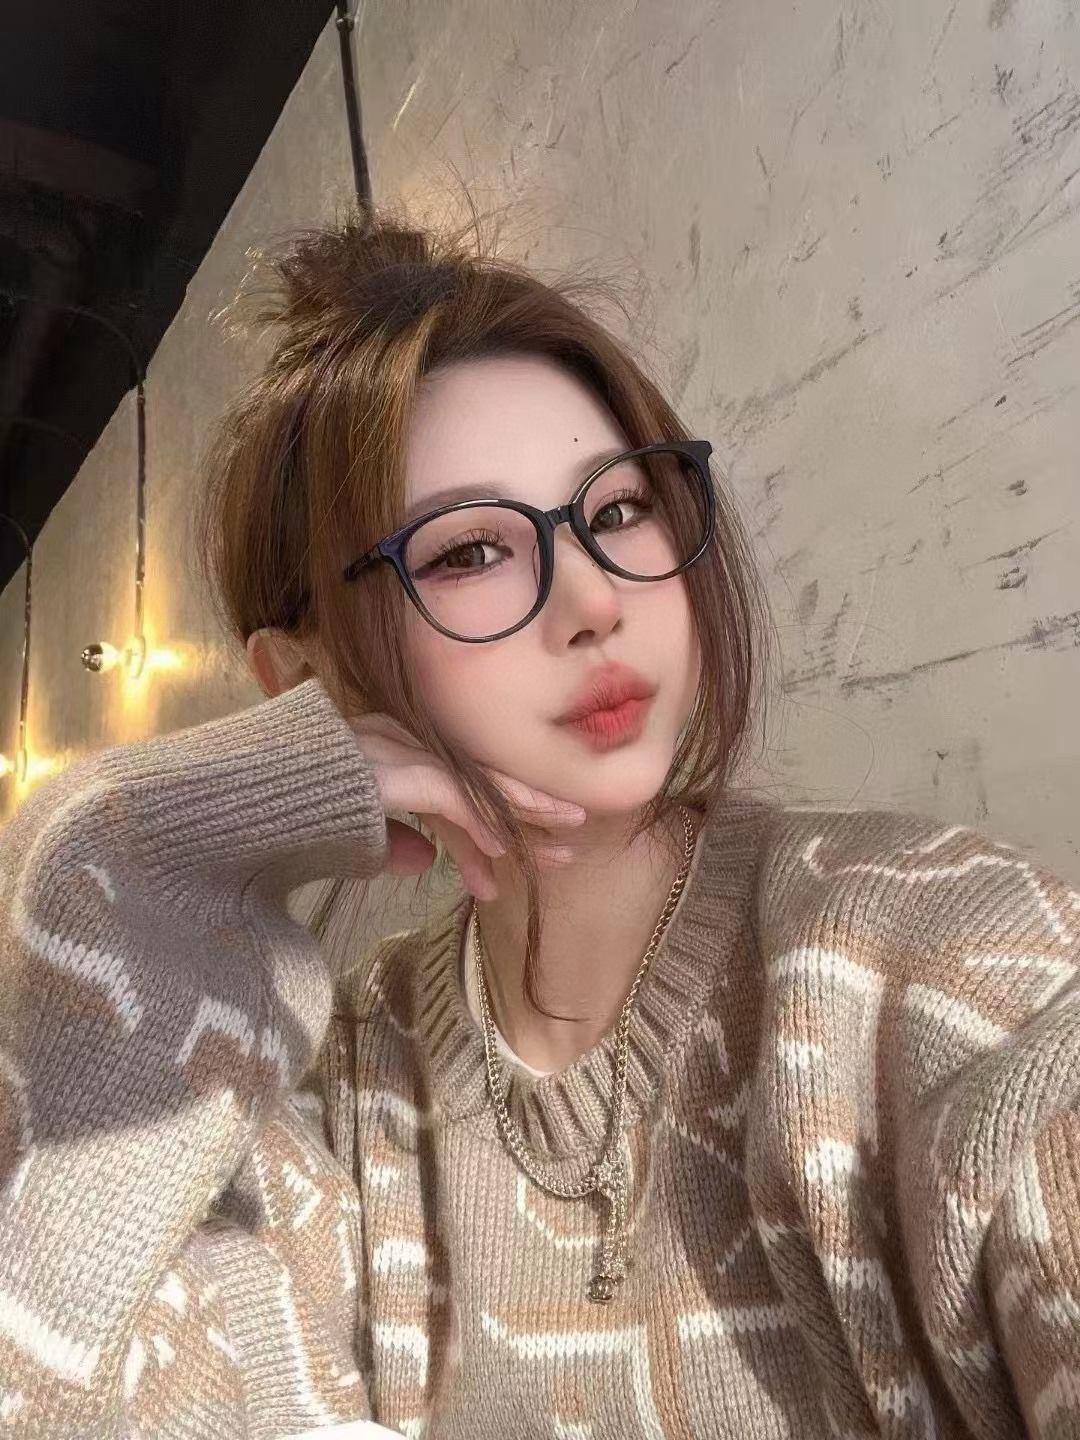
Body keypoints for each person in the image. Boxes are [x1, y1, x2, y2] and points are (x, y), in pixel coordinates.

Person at [1, 207, 1078, 1440]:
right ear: (302, 680)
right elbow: (45, 1376)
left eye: (617, 510)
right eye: (469, 552)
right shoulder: (338, 1101)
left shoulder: (935, 950)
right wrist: (123, 837)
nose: (595, 598)